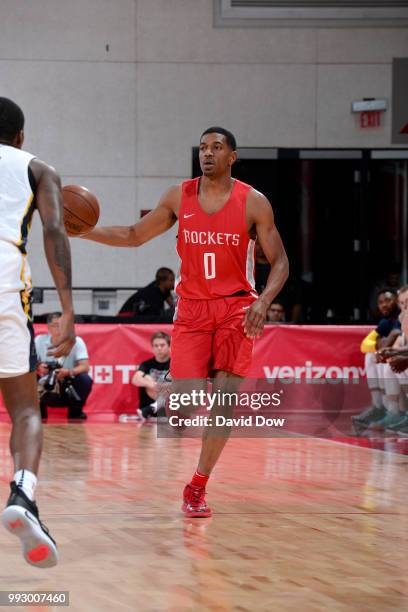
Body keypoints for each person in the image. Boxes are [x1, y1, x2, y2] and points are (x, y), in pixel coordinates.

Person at [81, 126, 289, 517]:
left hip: (235, 308)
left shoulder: (254, 202)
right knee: (182, 409)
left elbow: (281, 262)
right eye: (202, 148)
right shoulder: (180, 196)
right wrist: (85, 231)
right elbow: (132, 235)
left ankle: (197, 485)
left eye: (217, 147)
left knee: (225, 401)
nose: (207, 153)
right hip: (192, 310)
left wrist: (263, 302)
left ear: (232, 156)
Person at [0, 98, 75, 567]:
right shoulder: (38, 169)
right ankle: (23, 496)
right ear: (21, 137)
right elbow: (55, 230)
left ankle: (26, 503)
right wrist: (67, 309)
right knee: (25, 408)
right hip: (4, 277)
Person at [352, 288, 401, 432]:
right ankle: (379, 406)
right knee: (372, 356)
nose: (384, 305)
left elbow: (392, 342)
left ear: (397, 301)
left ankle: (395, 412)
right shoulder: (386, 322)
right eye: (380, 302)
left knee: (386, 359)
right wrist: (384, 341)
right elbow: (365, 345)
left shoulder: (402, 317)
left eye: (388, 300)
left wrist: (387, 342)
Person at [36, 312, 92, 420]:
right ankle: (39, 413)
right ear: (48, 327)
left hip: (68, 382)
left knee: (85, 379)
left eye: (63, 325)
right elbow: (31, 363)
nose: (60, 328)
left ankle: (76, 412)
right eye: (56, 325)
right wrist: (39, 367)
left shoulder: (76, 341)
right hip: (45, 382)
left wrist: (68, 372)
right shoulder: (39, 341)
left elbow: (85, 366)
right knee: (28, 377)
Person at [131, 331, 171, 420]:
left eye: (162, 345)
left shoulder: (175, 364)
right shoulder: (146, 364)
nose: (159, 348)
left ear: (169, 346)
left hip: (169, 408)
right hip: (150, 401)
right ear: (152, 348)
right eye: (156, 346)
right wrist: (153, 385)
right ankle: (153, 407)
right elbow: (135, 379)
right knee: (146, 378)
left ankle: (153, 407)